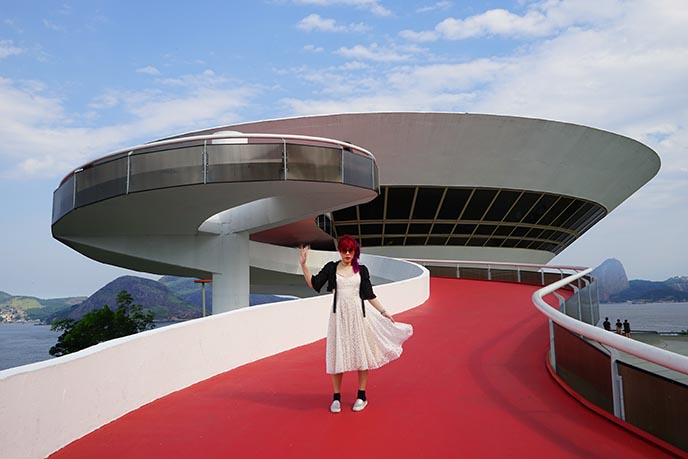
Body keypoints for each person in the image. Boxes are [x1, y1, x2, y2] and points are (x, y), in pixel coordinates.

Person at [299, 234, 413, 413]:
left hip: (359, 317)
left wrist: (384, 312)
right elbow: (314, 284)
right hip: (339, 319)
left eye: (350, 250)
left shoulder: (362, 270)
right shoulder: (331, 268)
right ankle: (336, 398)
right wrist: (303, 265)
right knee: (339, 356)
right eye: (343, 250)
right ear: (339, 251)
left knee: (361, 357)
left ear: (355, 251)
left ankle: (362, 396)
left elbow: (369, 295)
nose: (346, 253)